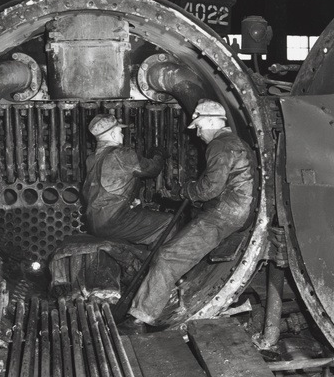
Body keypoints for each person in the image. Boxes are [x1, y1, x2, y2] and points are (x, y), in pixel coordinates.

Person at [124, 99, 254, 330]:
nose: (198, 133)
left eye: (200, 127)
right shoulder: (236, 142)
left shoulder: (220, 145)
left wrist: (186, 190)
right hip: (237, 209)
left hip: (225, 213)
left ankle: (140, 318)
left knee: (167, 256)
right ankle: (171, 299)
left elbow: (210, 189)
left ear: (213, 122)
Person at [81, 113, 174, 247]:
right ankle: (159, 266)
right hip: (114, 221)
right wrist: (158, 154)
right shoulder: (122, 154)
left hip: (94, 222)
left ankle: (133, 260)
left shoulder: (91, 159)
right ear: (113, 135)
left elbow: (93, 192)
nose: (123, 135)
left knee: (140, 213)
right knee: (169, 222)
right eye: (120, 131)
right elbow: (153, 169)